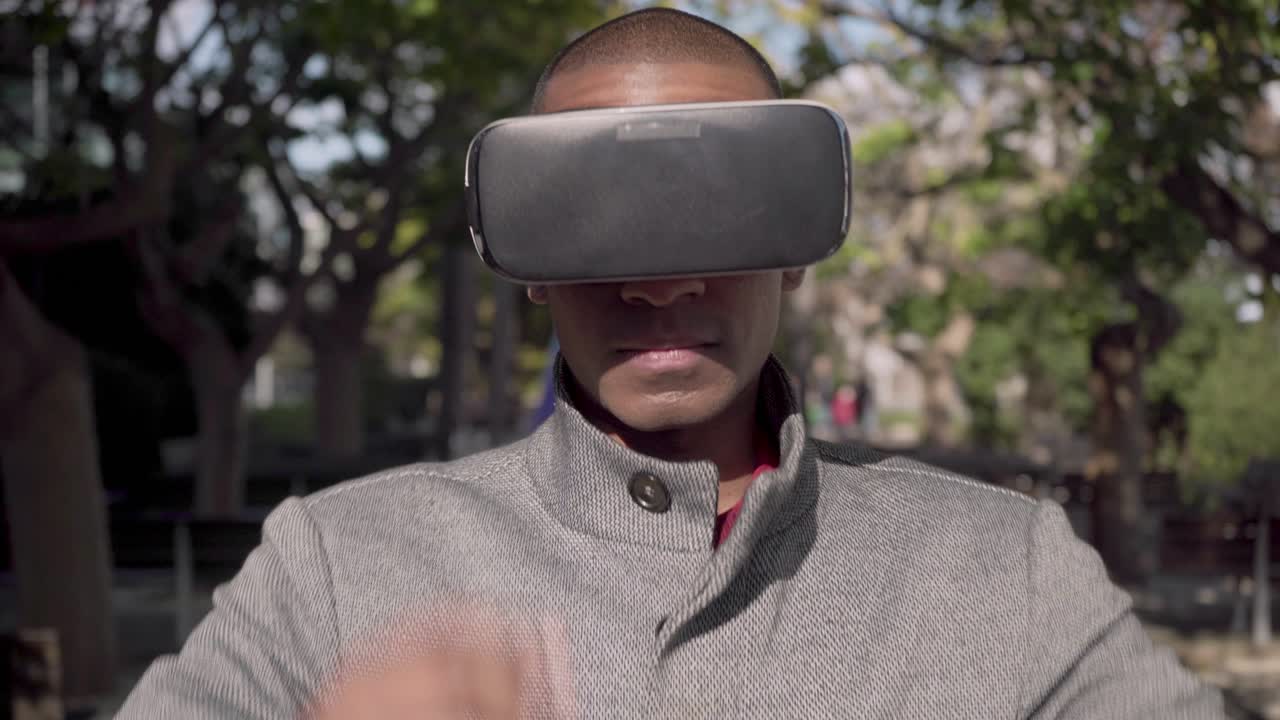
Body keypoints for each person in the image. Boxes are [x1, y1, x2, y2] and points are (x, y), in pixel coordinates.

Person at [117, 8, 1225, 719]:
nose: (657, 281)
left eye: (718, 209)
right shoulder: (332, 567)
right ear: (529, 264)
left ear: (794, 247)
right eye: (590, 219)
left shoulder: (1003, 571)